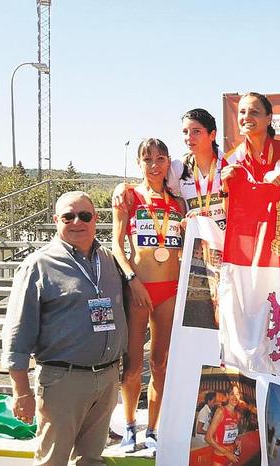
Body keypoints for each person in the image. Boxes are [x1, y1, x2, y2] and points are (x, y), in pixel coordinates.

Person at [1, 191, 128, 465]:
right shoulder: (38, 265)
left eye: (84, 216)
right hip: (63, 381)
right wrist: (21, 391)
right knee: (52, 460)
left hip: (106, 379)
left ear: (95, 219)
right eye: (68, 216)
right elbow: (17, 334)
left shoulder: (108, 260)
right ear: (57, 220)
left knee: (91, 460)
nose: (77, 222)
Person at [112, 138, 185, 452]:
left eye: (160, 159)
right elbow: (116, 245)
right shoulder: (128, 196)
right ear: (140, 164)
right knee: (130, 365)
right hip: (138, 288)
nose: (154, 165)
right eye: (148, 160)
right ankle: (130, 426)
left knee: (161, 365)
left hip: (169, 291)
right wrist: (132, 279)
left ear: (168, 162)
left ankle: (153, 429)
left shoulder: (178, 203)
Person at [113, 108, 234, 230]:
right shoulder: (178, 167)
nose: (189, 137)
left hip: (227, 242)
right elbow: (154, 185)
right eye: (185, 132)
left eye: (196, 131)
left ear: (212, 135)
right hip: (197, 244)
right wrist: (123, 187)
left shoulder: (230, 162)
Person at [226, 92, 280, 181]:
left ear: (269, 118)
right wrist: (224, 189)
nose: (246, 116)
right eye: (242, 112)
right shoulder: (231, 158)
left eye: (254, 112)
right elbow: (226, 193)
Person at [207, 387, 243, 466]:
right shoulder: (221, 411)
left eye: (237, 394)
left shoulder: (238, 415)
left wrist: (237, 439)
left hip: (231, 455)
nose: (235, 397)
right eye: (232, 394)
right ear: (227, 396)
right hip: (220, 456)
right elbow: (208, 438)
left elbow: (231, 432)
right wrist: (226, 453)